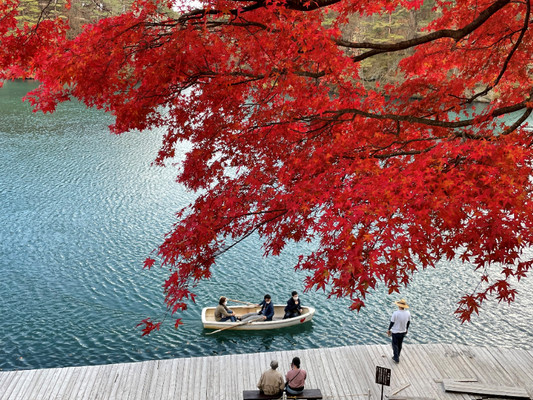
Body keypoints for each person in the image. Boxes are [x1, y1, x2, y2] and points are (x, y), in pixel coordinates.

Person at [387, 299, 411, 364]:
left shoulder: (395, 313)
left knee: (394, 344)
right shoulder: (408, 313)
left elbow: (392, 322)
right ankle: (397, 355)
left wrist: (389, 329)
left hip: (395, 331)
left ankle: (396, 358)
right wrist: (406, 329)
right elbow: (408, 322)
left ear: (399, 306)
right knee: (399, 344)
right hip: (403, 331)